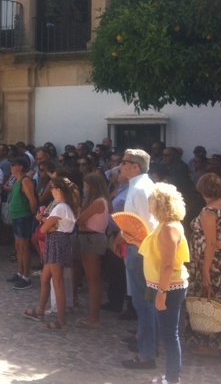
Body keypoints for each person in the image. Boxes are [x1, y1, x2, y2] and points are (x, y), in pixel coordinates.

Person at [185, 173, 221, 355]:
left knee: (206, 299)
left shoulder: (208, 211)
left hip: (210, 262)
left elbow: (210, 243)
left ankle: (208, 344)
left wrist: (205, 270)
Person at [139, 182, 189, 384]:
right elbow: (156, 253)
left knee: (170, 334)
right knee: (167, 332)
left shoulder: (169, 228)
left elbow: (168, 265)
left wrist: (162, 293)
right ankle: (171, 376)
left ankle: (172, 378)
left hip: (167, 287)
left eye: (151, 203)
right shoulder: (165, 225)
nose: (149, 207)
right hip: (160, 285)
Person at [119, 149, 159, 370]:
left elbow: (147, 227)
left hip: (141, 252)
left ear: (135, 166)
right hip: (137, 250)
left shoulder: (142, 189)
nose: (120, 166)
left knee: (145, 304)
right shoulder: (140, 186)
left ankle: (147, 354)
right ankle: (145, 341)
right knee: (143, 303)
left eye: (125, 162)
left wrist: (131, 242)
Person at [23, 176, 78, 330]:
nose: (51, 191)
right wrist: (46, 222)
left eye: (53, 188)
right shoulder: (66, 206)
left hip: (56, 242)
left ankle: (61, 320)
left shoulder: (61, 207)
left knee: (57, 282)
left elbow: (44, 228)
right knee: (45, 277)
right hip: (58, 241)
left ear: (59, 190)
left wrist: (45, 222)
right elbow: (49, 224)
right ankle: (39, 310)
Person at [75, 172, 112, 328]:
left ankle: (94, 318)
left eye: (86, 186)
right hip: (88, 238)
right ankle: (92, 316)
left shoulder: (98, 201)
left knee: (93, 280)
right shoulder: (98, 201)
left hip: (92, 239)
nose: (84, 189)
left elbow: (80, 219)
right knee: (91, 279)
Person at [6, 157, 37, 290]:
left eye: (14, 164)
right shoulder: (17, 180)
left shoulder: (25, 181)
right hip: (17, 216)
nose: (11, 167)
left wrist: (33, 214)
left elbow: (32, 200)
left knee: (24, 247)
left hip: (24, 217)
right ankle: (20, 272)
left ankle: (26, 276)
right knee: (18, 246)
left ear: (20, 166)